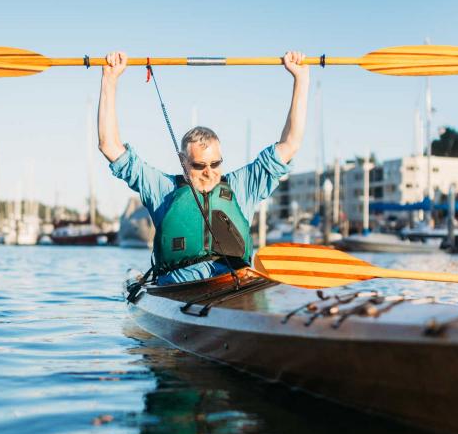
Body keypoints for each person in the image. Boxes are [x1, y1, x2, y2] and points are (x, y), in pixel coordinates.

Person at [98, 50, 309, 284]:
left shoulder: (243, 186)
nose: (209, 172)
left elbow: (291, 144)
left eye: (215, 163)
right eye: (199, 165)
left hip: (235, 283)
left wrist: (300, 79)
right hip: (178, 289)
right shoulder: (162, 188)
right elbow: (109, 146)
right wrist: (110, 79)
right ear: (182, 161)